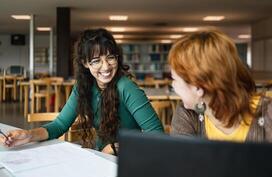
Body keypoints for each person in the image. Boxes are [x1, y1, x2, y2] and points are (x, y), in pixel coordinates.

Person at [0, 28, 164, 154]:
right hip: (101, 158)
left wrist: (114, 148)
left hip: (130, 160)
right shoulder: (83, 87)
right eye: (96, 61)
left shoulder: (126, 87)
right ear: (85, 63)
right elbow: (59, 125)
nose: (106, 66)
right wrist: (28, 135)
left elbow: (157, 135)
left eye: (111, 57)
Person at [168, 29, 272, 144]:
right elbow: (181, 167)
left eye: (175, 79)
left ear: (198, 87)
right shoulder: (187, 115)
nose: (173, 85)